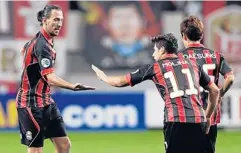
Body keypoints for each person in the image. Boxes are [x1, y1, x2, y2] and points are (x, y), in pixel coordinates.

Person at [92, 33, 219, 153]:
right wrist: (207, 116)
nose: (153, 54)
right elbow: (215, 90)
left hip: (176, 121)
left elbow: (121, 82)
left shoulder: (156, 67)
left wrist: (104, 78)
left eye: (155, 50)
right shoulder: (193, 64)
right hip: (198, 120)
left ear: (162, 50)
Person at [16, 5, 95, 153]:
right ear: (45, 21)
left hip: (46, 101)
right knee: (36, 150)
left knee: (64, 145)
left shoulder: (43, 41)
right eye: (56, 20)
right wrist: (73, 86)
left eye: (61, 20)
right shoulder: (42, 45)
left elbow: (24, 52)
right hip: (31, 103)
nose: (59, 24)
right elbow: (50, 78)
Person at [178, 16, 235, 153]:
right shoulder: (216, 56)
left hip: (187, 115)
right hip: (210, 114)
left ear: (183, 36)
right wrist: (220, 93)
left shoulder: (178, 57)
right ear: (201, 35)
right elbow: (230, 78)